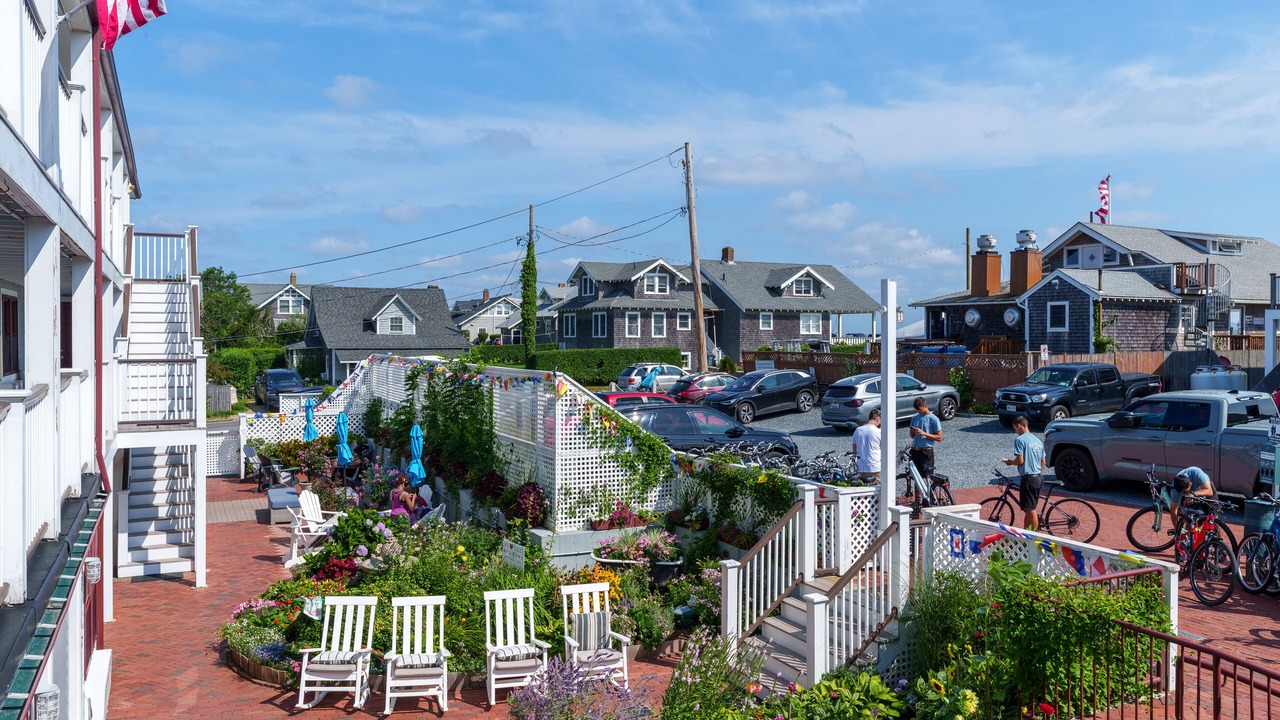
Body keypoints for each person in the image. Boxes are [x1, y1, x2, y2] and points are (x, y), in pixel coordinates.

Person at [1002, 415, 1045, 531]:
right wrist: (1036, 470)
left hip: (1028, 478)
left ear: (1020, 426)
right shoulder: (1038, 441)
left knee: (1031, 509)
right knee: (1029, 509)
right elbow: (1043, 462)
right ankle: (1027, 532)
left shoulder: (1020, 440)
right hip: (1038, 477)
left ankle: (1033, 536)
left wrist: (1010, 462)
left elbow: (1020, 460)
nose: (1015, 431)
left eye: (1015, 428)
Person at [907, 396, 942, 486]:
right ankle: (918, 499)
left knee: (927, 476)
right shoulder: (914, 417)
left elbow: (939, 438)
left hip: (926, 451)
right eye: (916, 409)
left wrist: (924, 433)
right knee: (916, 477)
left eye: (919, 409)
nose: (918, 411)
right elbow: (911, 436)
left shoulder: (934, 419)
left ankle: (928, 497)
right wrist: (912, 431)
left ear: (925, 406)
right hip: (915, 450)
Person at [853, 408, 882, 483]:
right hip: (875, 467)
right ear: (877, 419)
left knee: (863, 490)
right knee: (879, 491)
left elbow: (854, 450)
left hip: (861, 467)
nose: (879, 424)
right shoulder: (879, 432)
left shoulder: (858, 430)